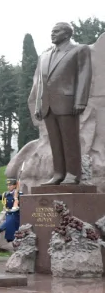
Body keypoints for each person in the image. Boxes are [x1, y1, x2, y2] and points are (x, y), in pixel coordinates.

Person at [31, 22, 93, 185]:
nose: (52, 34)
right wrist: (38, 104)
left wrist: (80, 101)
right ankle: (58, 173)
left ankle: (73, 174)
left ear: (67, 34)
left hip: (67, 102)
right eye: (52, 31)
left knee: (70, 140)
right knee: (55, 141)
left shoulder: (79, 50)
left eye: (56, 31)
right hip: (48, 105)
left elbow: (84, 76)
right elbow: (41, 83)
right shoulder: (44, 56)